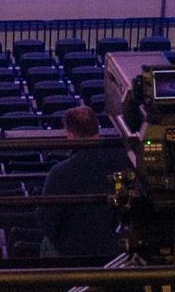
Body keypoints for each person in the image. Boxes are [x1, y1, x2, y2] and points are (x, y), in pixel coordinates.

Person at [39, 105, 121, 257]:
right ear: (98, 129)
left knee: (46, 243)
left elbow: (48, 222)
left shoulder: (61, 173)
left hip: (75, 249)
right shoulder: (122, 161)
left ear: (70, 134)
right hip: (116, 246)